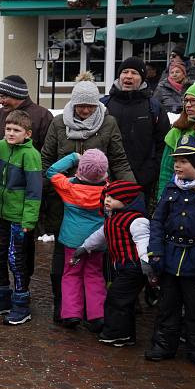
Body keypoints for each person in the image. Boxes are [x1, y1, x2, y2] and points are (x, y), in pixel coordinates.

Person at [40, 77, 133, 321]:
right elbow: (46, 160)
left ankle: (95, 314)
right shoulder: (59, 123)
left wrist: (130, 194)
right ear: (73, 103)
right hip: (64, 201)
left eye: (90, 106)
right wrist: (48, 190)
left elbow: (120, 160)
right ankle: (65, 311)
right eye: (81, 105)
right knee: (64, 262)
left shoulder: (108, 123)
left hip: (98, 202)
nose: (84, 110)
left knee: (95, 262)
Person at [144, 135, 195, 370]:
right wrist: (155, 251)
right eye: (176, 161)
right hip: (170, 257)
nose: (177, 165)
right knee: (167, 306)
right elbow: (157, 221)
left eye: (183, 161)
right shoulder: (172, 187)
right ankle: (164, 345)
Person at [0, 110, 42, 325]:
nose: (10, 133)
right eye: (8, 129)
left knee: (16, 260)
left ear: (27, 134)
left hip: (19, 217)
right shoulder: (0, 147)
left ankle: (21, 303)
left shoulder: (31, 155)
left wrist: (29, 221)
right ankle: (2, 296)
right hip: (1, 213)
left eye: (16, 130)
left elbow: (35, 192)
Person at [75, 180, 151, 347]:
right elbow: (99, 236)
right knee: (125, 301)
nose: (107, 200)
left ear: (126, 200)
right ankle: (126, 335)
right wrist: (85, 247)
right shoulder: (112, 219)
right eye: (107, 196)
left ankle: (116, 333)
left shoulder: (137, 220)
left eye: (113, 197)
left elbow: (143, 241)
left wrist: (146, 263)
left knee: (116, 298)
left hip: (134, 267)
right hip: (122, 266)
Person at [48, 150, 109, 331]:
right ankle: (97, 315)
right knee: (94, 275)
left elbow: (51, 172)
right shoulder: (108, 190)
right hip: (97, 241)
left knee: (71, 274)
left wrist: (74, 157)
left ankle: (71, 314)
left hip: (72, 239)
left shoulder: (69, 187)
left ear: (80, 170)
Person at [101, 57, 170, 204]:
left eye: (134, 73)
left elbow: (162, 144)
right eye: (125, 72)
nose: (128, 76)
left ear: (142, 78)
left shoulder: (154, 108)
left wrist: (149, 172)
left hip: (142, 181)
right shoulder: (104, 105)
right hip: (105, 179)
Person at [156, 81, 195, 194]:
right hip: (179, 195)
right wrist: (163, 196)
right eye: (186, 101)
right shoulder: (176, 132)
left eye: (193, 100)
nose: (188, 105)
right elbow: (166, 170)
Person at [0, 76, 52, 156]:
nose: (0, 101)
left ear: (17, 95)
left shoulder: (43, 117)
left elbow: (49, 153)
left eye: (3, 97)